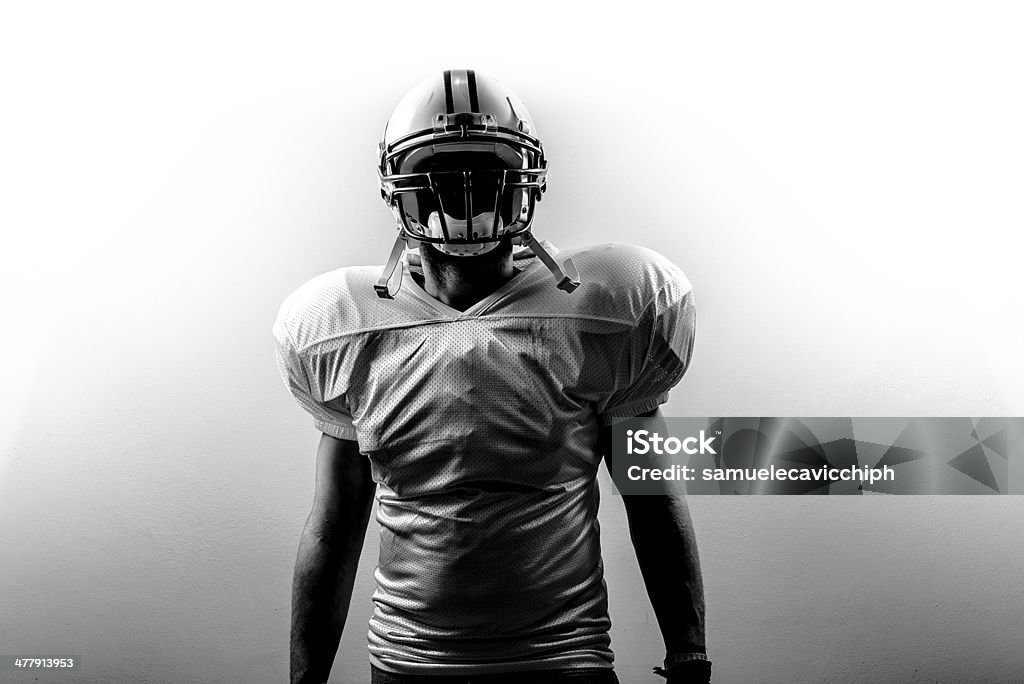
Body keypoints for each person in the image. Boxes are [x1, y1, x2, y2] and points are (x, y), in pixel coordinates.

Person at [273, 69, 711, 684]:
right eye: (444, 176)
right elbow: (335, 525)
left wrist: (689, 650)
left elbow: (651, 494)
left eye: (487, 172)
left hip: (564, 661)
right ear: (401, 187)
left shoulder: (604, 308)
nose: (467, 195)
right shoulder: (344, 325)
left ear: (525, 179)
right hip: (407, 666)